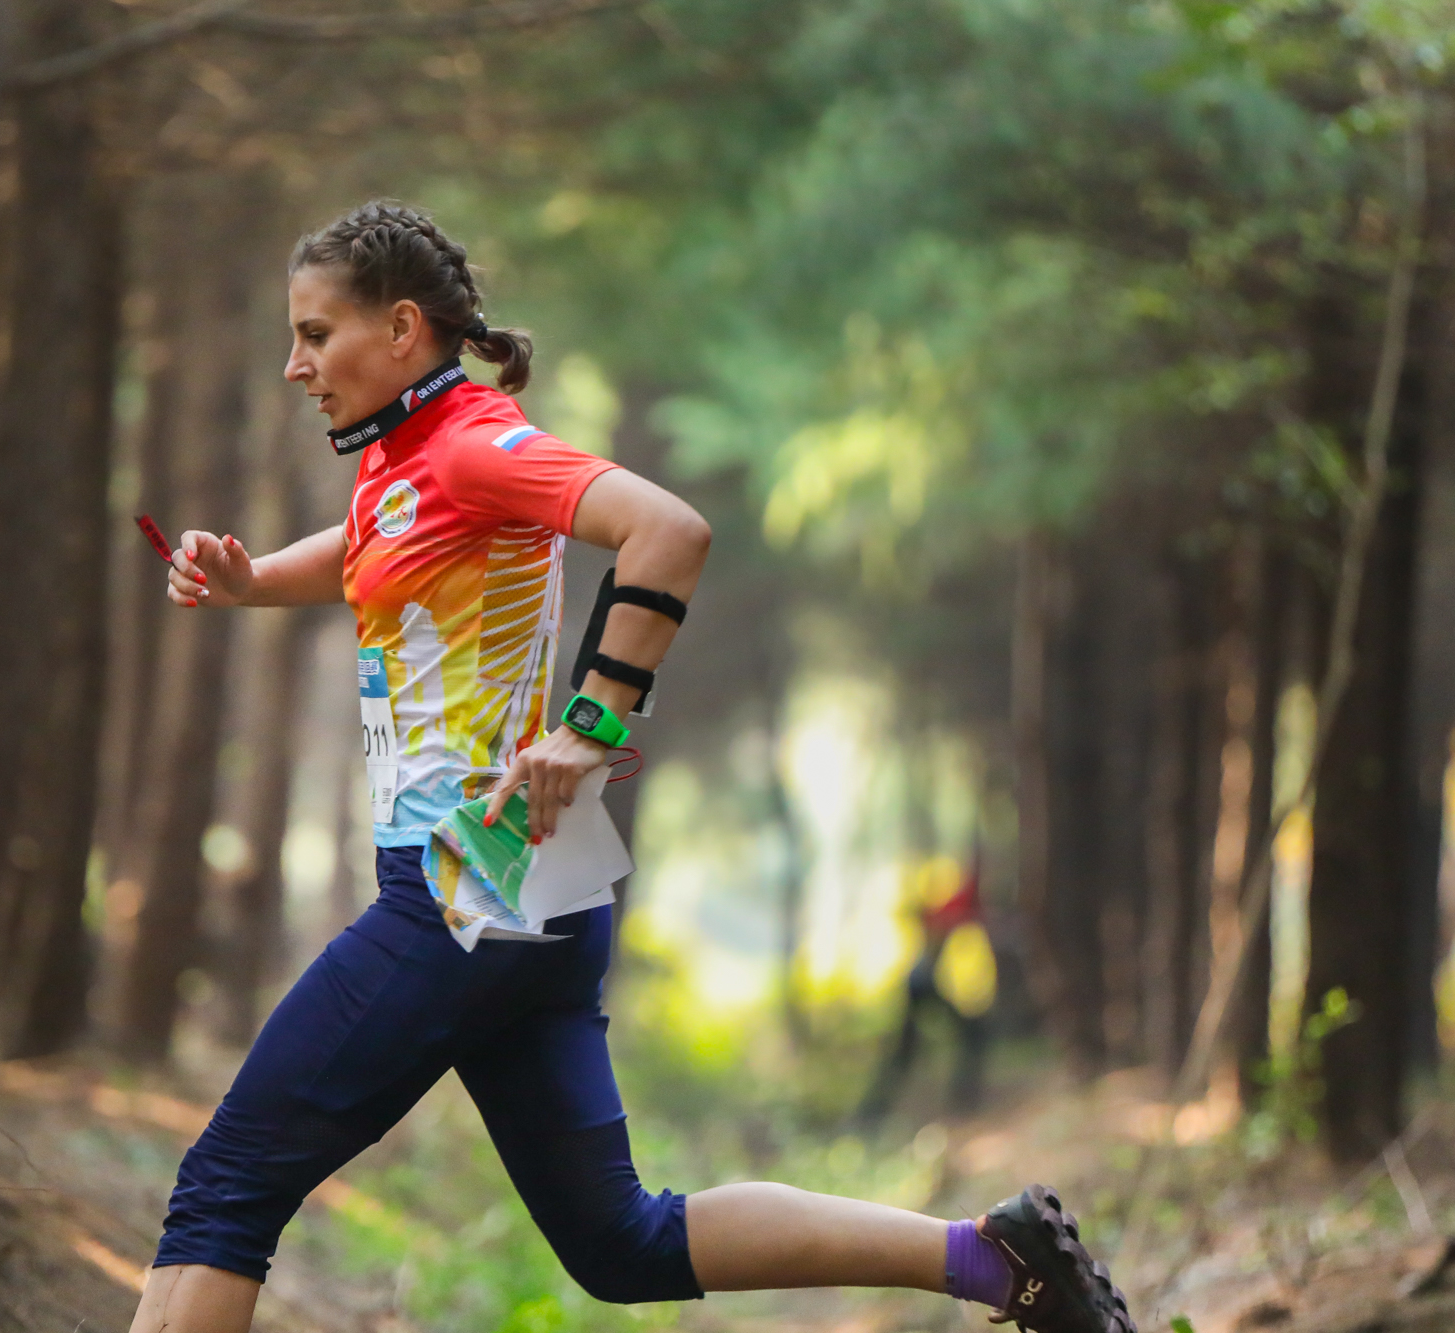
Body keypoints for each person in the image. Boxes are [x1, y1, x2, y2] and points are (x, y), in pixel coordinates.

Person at [128, 201, 1137, 1333]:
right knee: (619, 1240)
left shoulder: (471, 442)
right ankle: (998, 1261)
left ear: (402, 328)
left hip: (460, 891)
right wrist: (255, 578)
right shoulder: (411, 453)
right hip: (531, 894)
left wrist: (591, 723)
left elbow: (668, 527)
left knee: (229, 1181)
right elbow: (383, 546)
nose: (294, 364)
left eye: (316, 335)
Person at [858, 855, 997, 1124]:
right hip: (934, 981)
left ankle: (963, 1104)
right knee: (920, 1046)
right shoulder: (957, 893)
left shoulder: (961, 894)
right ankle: (877, 1112)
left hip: (936, 981)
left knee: (964, 1040)